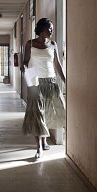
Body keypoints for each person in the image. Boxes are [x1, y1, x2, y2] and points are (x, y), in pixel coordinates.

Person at [20, 18, 66, 159]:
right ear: (41, 29)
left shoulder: (53, 44)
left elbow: (57, 64)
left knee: (52, 112)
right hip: (35, 83)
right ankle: (39, 147)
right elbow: (25, 62)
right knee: (37, 114)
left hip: (51, 82)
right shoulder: (31, 44)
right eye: (49, 28)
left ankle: (45, 140)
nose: (51, 30)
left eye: (52, 28)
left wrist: (66, 80)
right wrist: (24, 68)